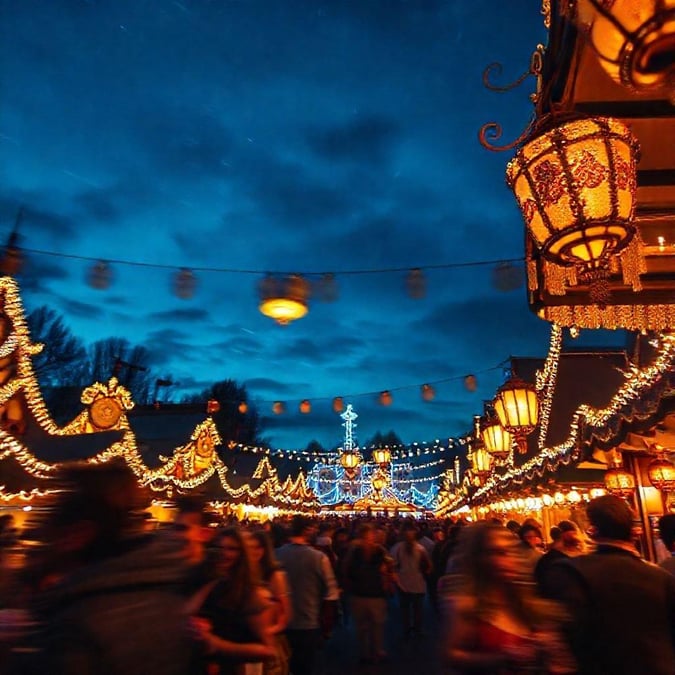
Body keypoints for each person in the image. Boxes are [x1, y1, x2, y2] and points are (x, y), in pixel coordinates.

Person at [24, 460, 194, 675]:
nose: (39, 530)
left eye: (49, 518)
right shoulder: (165, 592)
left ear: (78, 534)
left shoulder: (79, 623)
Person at [541, 495, 675, 675]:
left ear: (591, 530)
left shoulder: (570, 572)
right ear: (635, 531)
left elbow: (564, 639)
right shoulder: (661, 577)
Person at [442, 522, 575, 674]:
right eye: (498, 553)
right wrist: (501, 659)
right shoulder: (468, 606)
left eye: (511, 551)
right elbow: (451, 655)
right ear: (479, 558)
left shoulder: (524, 600)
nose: (509, 559)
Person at [189, 526, 275, 675]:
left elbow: (268, 651)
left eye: (231, 549)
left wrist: (218, 645)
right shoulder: (210, 582)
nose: (223, 553)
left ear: (242, 555)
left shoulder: (249, 593)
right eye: (219, 547)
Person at [275, 515, 339, 675]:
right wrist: (327, 624)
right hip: (308, 621)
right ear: (307, 530)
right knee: (305, 666)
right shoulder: (318, 558)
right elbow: (331, 592)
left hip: (280, 621)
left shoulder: (276, 555)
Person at [342, 523, 394, 665]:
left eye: (371, 537)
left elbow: (390, 565)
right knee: (367, 626)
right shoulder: (356, 552)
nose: (370, 539)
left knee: (372, 626)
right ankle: (368, 652)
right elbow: (347, 571)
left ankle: (372, 651)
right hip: (365, 594)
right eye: (368, 537)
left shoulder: (377, 551)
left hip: (370, 594)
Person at [246, 530, 292, 675]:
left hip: (267, 640)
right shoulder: (244, 573)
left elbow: (286, 615)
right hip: (247, 641)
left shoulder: (274, 575)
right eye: (250, 547)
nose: (254, 551)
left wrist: (267, 631)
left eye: (258, 547)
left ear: (265, 549)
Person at [390, 521, 431, 638]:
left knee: (407, 609)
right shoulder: (419, 548)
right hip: (412, 583)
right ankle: (414, 629)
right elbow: (428, 566)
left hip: (407, 583)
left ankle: (408, 629)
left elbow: (392, 565)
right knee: (415, 609)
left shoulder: (398, 548)